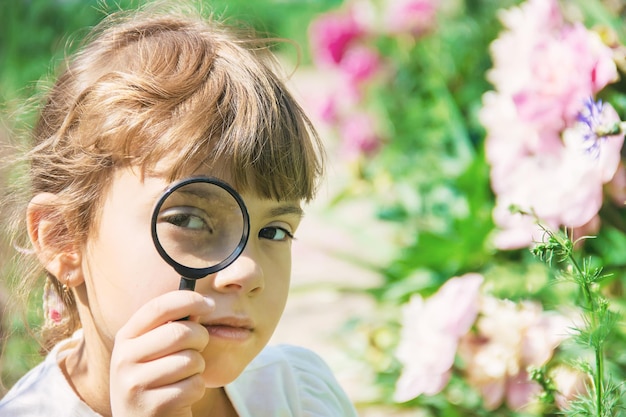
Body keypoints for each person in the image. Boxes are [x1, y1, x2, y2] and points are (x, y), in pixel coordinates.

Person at [0, 2, 358, 416]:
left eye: (274, 231)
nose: (247, 271)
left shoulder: (299, 393)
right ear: (63, 238)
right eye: (189, 220)